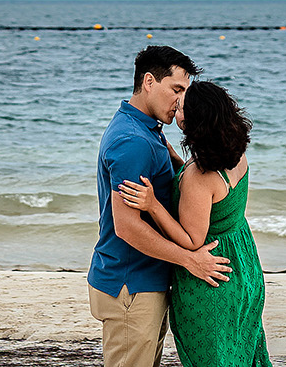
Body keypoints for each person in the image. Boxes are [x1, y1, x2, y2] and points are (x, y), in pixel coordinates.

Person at [90, 46, 232, 367]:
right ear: (150, 82)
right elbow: (126, 225)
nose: (181, 102)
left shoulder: (147, 131)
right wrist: (190, 260)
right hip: (131, 286)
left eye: (185, 92)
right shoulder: (133, 141)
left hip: (144, 281)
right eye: (176, 90)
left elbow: (182, 181)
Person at [117, 80, 270, 367]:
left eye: (181, 106)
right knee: (241, 354)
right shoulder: (236, 156)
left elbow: (192, 240)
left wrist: (153, 206)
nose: (176, 106)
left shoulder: (199, 176)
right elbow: (215, 202)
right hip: (244, 269)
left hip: (213, 280)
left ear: (191, 122)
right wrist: (177, 161)